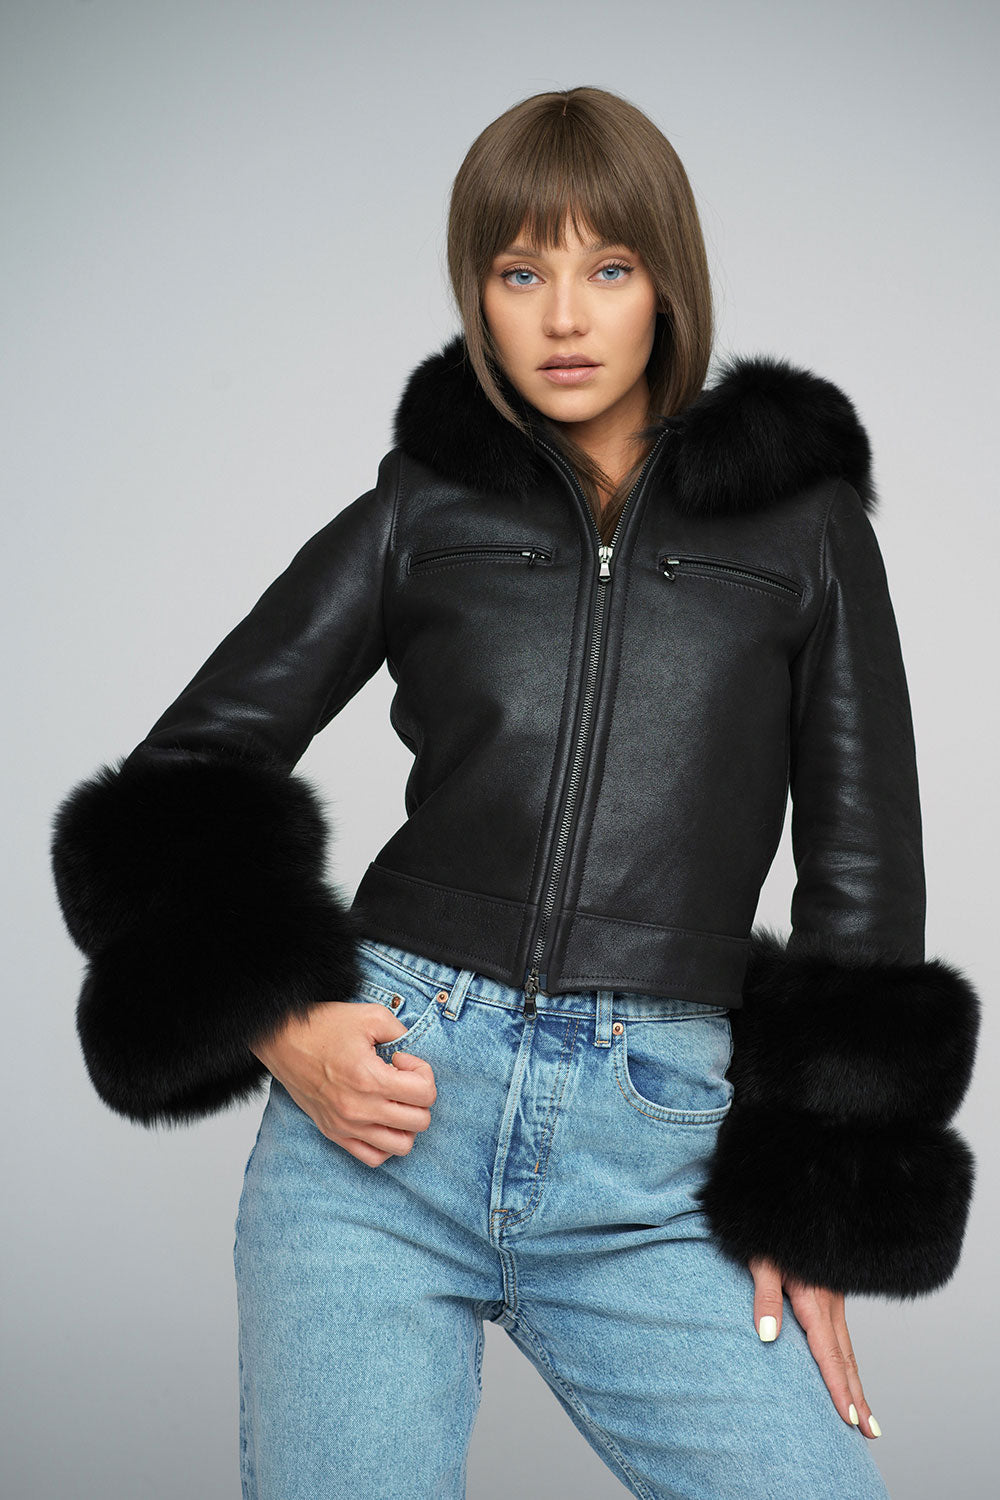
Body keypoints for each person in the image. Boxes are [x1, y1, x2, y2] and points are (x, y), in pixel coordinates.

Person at [49, 86, 980, 1500]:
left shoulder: (803, 527)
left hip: (653, 1153)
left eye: (608, 267)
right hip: (386, 1132)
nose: (565, 317)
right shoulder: (425, 506)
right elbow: (176, 788)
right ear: (478, 291)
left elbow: (863, 871)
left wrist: (820, 1205)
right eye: (520, 272)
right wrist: (282, 1027)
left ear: (668, 283)